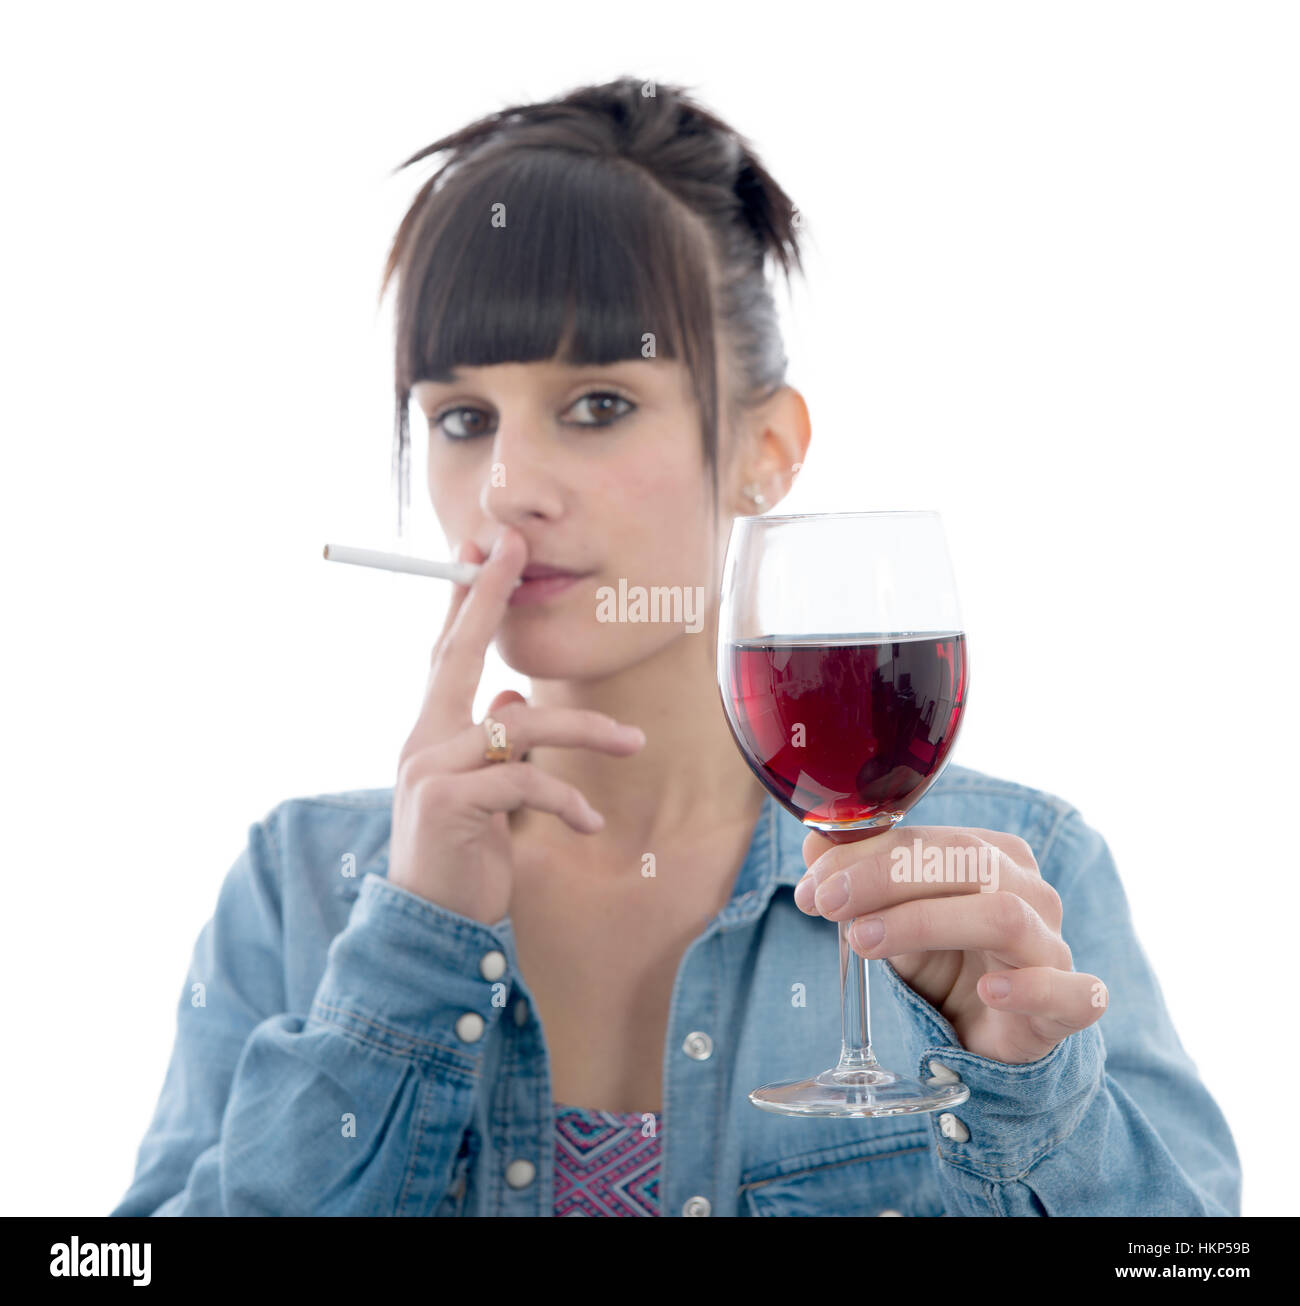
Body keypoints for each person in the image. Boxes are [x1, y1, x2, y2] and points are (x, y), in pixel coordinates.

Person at [111, 75, 1239, 1217]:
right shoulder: (305, 887)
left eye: (598, 404)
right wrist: (407, 950)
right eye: (462, 419)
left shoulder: (1013, 879)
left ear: (765, 448)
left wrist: (1029, 1110)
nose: (507, 489)